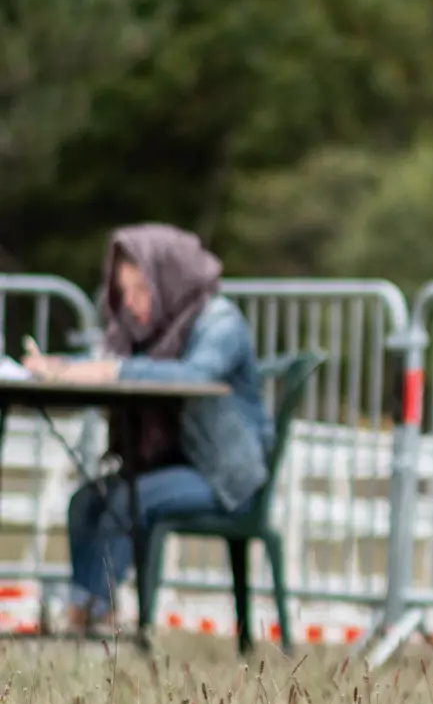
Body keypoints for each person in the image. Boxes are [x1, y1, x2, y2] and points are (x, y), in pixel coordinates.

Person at [22, 225, 274, 634]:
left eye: (142, 288)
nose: (133, 304)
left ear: (169, 277)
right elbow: (107, 358)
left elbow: (194, 376)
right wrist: (61, 366)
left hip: (227, 478)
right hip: (182, 467)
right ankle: (85, 611)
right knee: (86, 500)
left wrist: (111, 370)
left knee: (126, 498)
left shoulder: (220, 321)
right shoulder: (155, 331)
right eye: (125, 292)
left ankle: (96, 619)